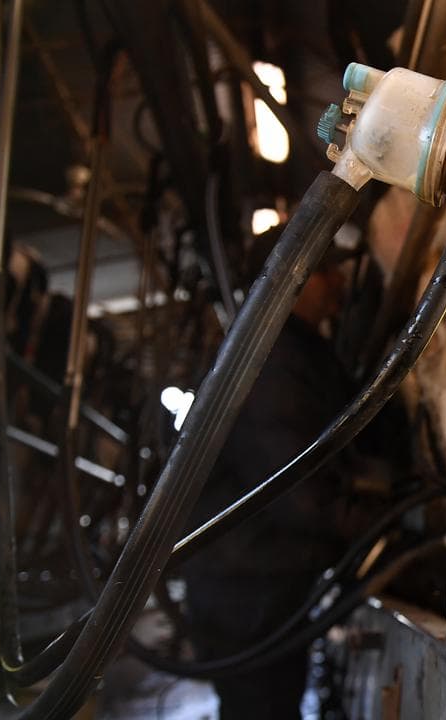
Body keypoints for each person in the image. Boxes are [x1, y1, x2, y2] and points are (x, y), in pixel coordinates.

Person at [182, 228, 354, 719]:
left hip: (255, 586)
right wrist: (371, 525)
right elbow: (293, 489)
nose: (340, 280)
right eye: (328, 271)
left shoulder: (288, 348)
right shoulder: (269, 363)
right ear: (300, 281)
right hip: (244, 599)